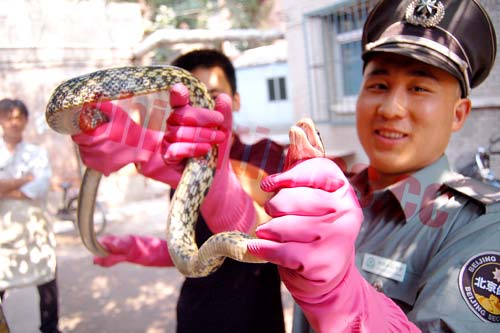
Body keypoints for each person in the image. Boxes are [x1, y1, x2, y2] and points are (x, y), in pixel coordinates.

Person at [243, 0, 500, 332]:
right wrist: (211, 180)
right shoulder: (338, 193)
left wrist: (343, 298)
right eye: (378, 85)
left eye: (419, 88)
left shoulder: (482, 226)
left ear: (458, 114)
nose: (391, 109)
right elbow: (256, 233)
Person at [71, 49, 287, 332]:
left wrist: (159, 157)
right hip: (195, 317)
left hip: (257, 321)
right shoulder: (178, 158)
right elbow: (192, 252)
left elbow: (267, 237)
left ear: (235, 101)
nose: (203, 106)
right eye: (193, 97)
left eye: (213, 94)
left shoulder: (266, 153)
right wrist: (137, 251)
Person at [0, 99, 60, 333]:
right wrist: (24, 181)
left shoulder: (37, 154)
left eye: (18, 118)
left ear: (25, 120)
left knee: (47, 284)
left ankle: (50, 328)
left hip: (34, 230)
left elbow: (40, 187)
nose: (14, 123)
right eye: (8, 117)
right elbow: (30, 187)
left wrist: (5, 188)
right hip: (3, 233)